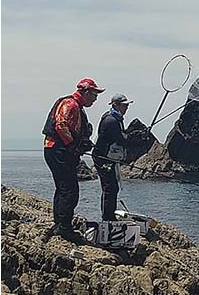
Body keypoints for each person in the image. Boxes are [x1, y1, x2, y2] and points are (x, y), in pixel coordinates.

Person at [42, 78, 104, 241]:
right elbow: (60, 125)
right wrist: (72, 145)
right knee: (69, 190)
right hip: (58, 150)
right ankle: (64, 228)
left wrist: (80, 143)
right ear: (86, 92)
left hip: (56, 149)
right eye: (94, 95)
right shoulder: (71, 104)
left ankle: (60, 224)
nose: (95, 99)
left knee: (63, 188)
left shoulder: (76, 106)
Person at [93, 93, 147, 221]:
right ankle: (108, 218)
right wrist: (138, 137)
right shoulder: (111, 121)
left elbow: (121, 136)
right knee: (110, 188)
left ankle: (108, 216)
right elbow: (122, 139)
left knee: (111, 187)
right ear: (116, 105)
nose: (126, 108)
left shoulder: (115, 118)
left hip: (107, 157)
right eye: (124, 105)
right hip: (104, 158)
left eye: (127, 105)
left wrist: (135, 135)